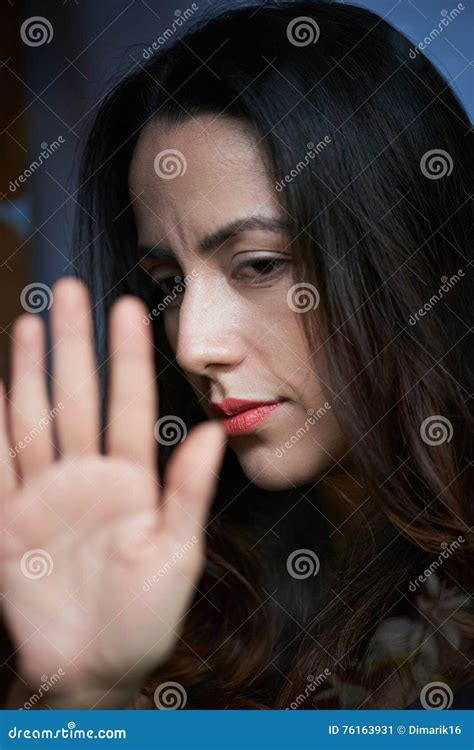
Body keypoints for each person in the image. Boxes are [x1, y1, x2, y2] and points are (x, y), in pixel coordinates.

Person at [1, 1, 472, 710]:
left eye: (257, 265)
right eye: (166, 285)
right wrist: (83, 693)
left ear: (404, 247)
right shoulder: (162, 583)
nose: (194, 344)